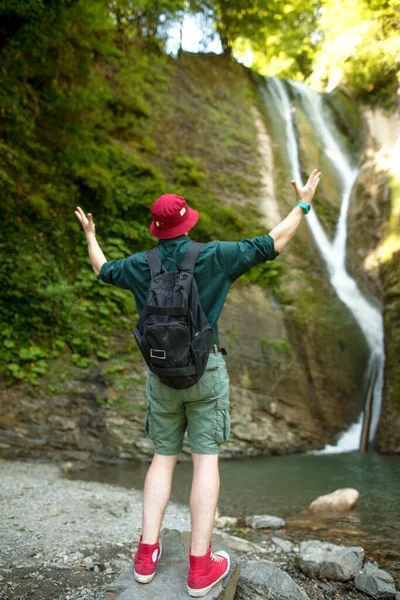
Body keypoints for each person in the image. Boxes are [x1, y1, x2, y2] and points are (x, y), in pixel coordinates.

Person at [75, 168, 321, 597]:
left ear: (156, 229)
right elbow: (273, 242)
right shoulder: (214, 256)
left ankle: (146, 558)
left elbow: (102, 270)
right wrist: (302, 204)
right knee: (205, 461)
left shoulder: (139, 265)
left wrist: (91, 235)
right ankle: (199, 568)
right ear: (188, 222)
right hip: (205, 371)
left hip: (161, 375)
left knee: (162, 458)